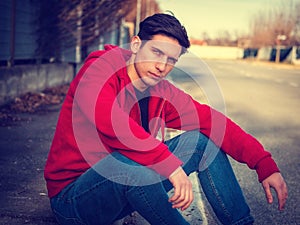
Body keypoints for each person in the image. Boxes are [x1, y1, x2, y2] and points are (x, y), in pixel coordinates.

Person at [44, 13, 288, 225]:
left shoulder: (160, 91)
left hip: (121, 193)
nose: (161, 66)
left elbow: (212, 122)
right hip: (73, 200)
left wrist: (263, 164)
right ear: (137, 45)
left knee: (202, 143)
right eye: (156, 52)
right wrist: (168, 163)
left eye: (171, 60)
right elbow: (109, 118)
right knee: (130, 163)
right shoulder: (99, 68)